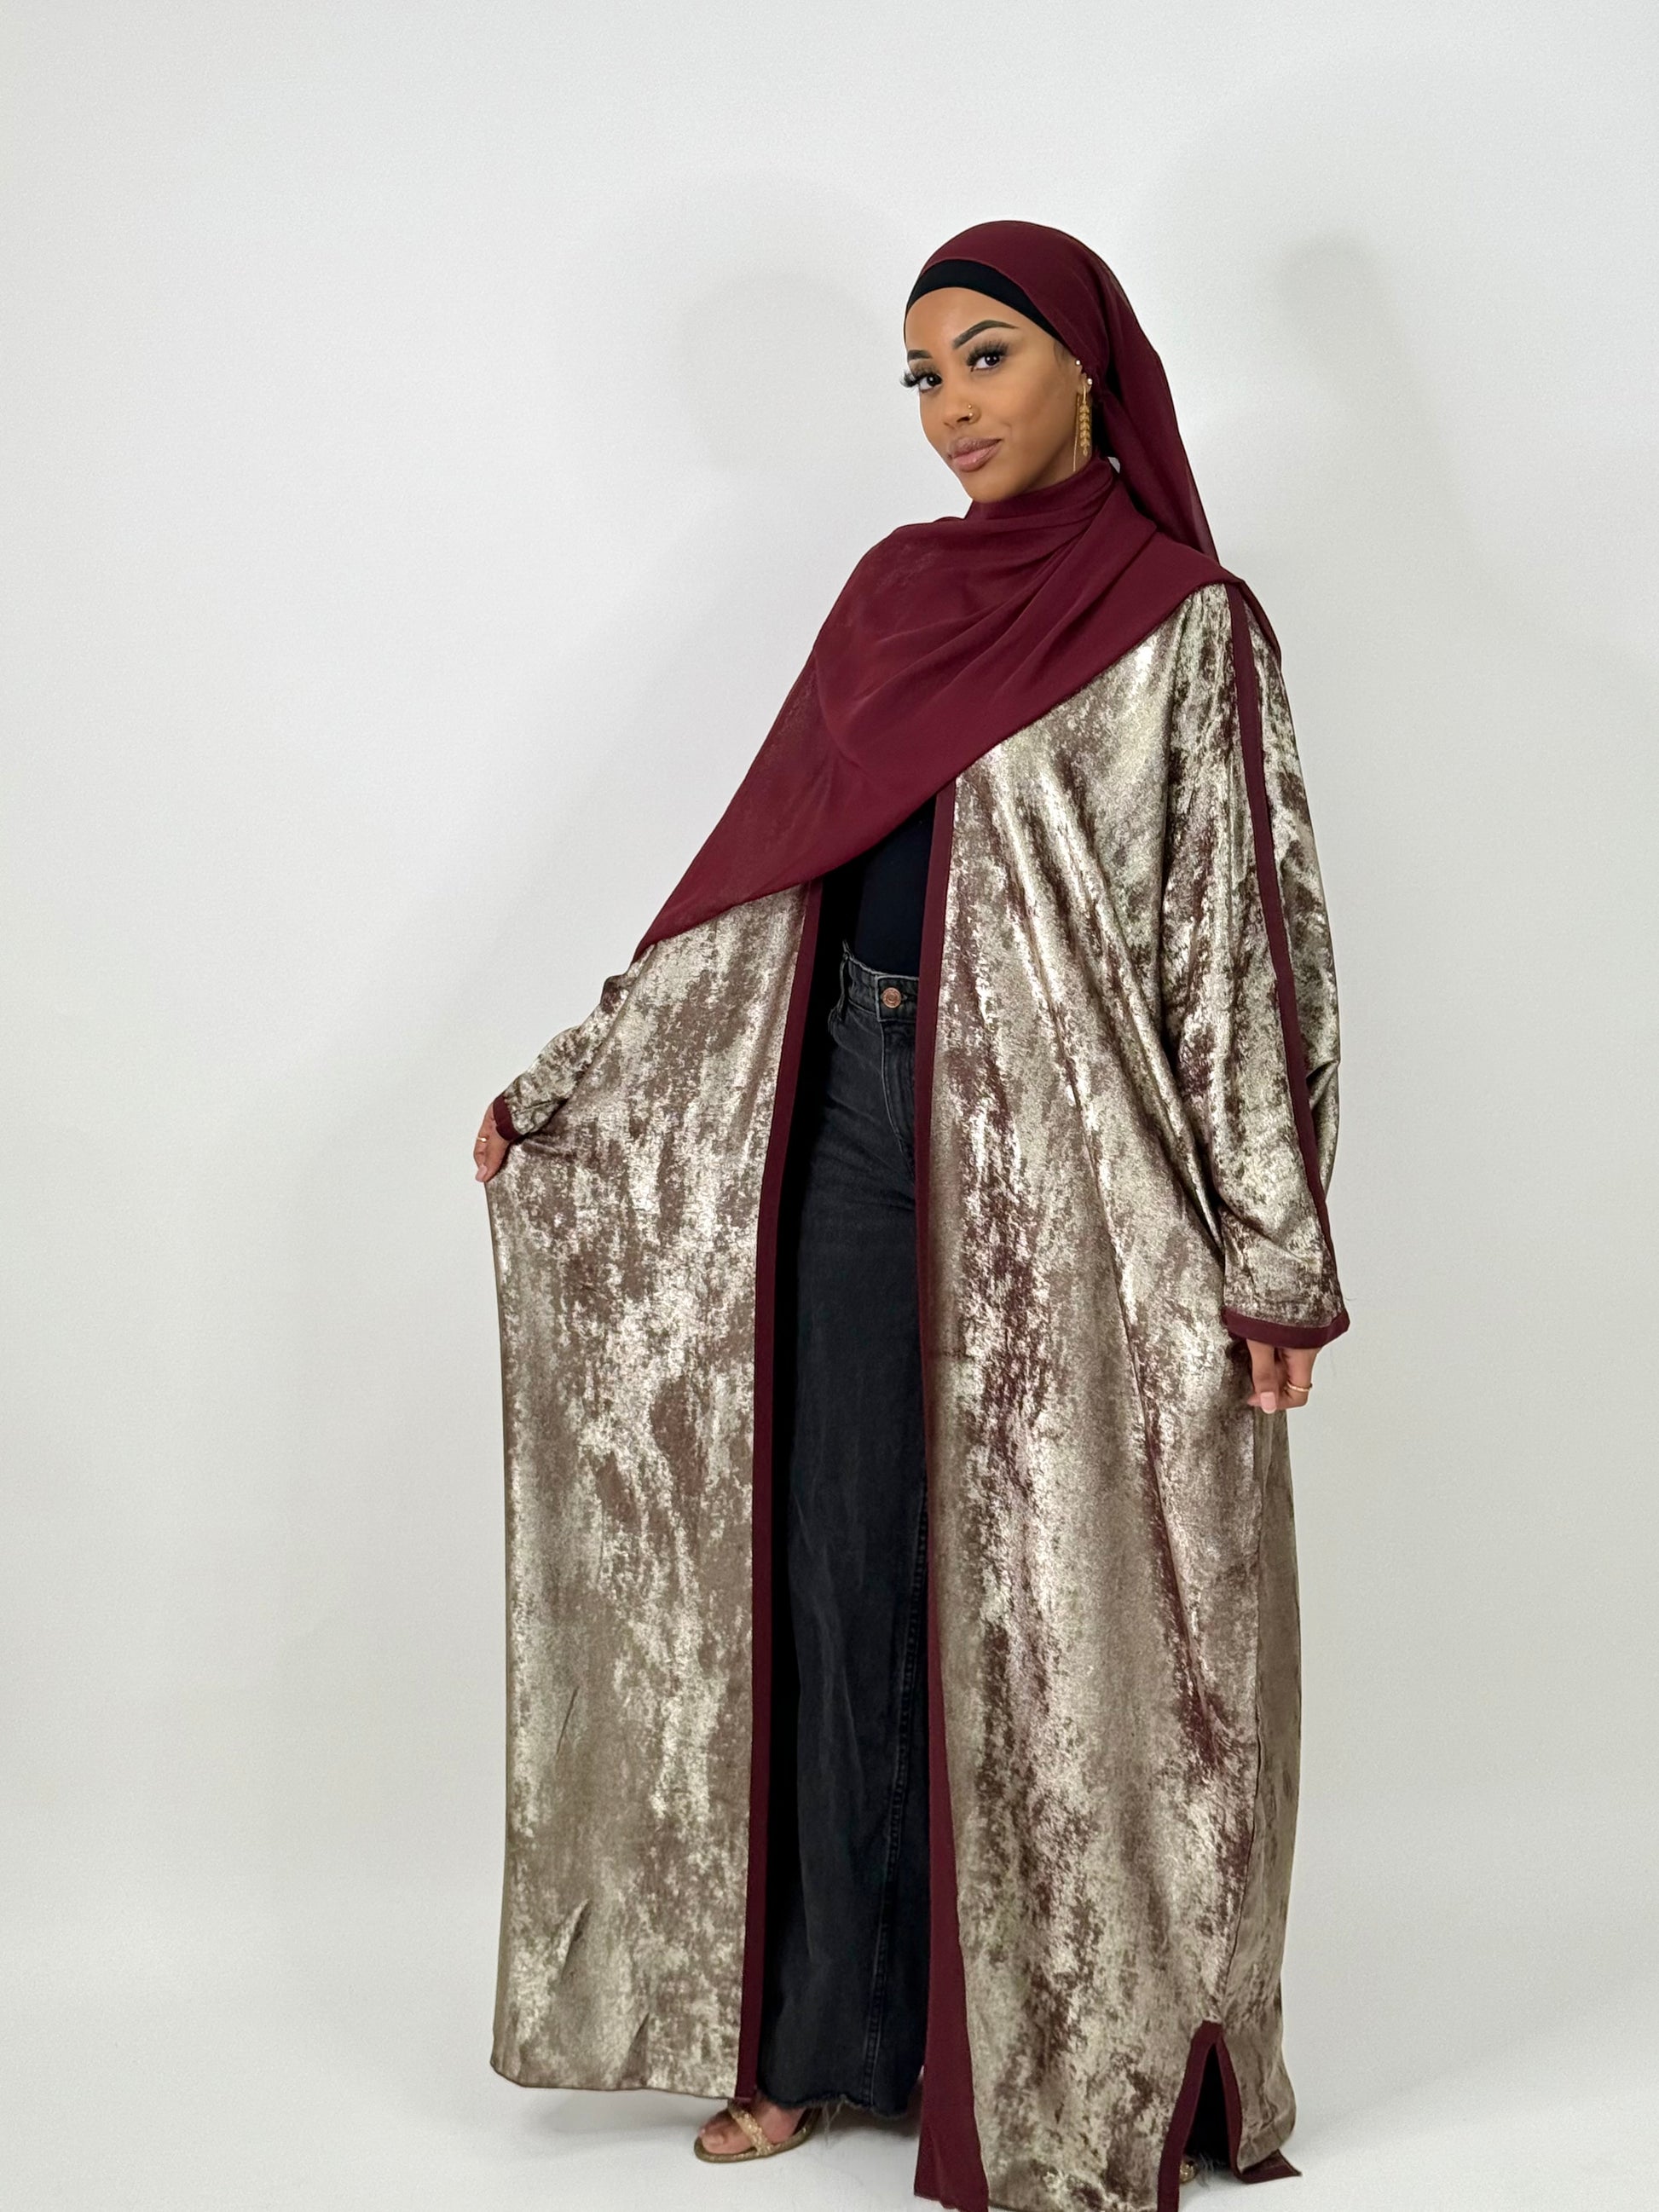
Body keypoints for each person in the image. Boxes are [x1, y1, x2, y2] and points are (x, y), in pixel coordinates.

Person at [473, 220, 1346, 2212]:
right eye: (922, 377)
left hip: (1071, 1180)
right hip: (847, 1121)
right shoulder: (891, 592)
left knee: (1057, 1613)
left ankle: (1065, 2043)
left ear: (1091, 369)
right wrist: (576, 1082)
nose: (950, 408)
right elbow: (749, 873)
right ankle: (816, 2037)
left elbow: (1245, 952)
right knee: (835, 1564)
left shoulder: (1180, 621)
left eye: (985, 359)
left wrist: (1274, 1258)